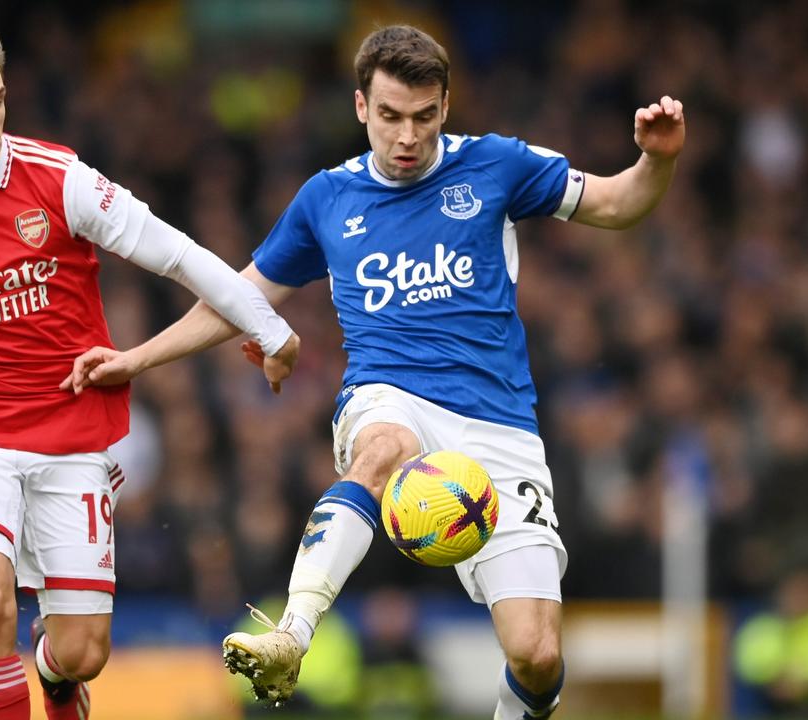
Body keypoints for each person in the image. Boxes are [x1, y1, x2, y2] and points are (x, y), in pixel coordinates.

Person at [64, 23, 684, 719]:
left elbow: (616, 202)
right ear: (362, 107)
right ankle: (290, 636)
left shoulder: (497, 165)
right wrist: (136, 359)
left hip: (498, 425)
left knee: (535, 654)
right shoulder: (328, 199)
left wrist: (654, 161)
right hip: (391, 394)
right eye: (390, 116)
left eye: (423, 117)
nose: (407, 136)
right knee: (381, 449)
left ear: (446, 107)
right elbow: (239, 298)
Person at [0, 23, 299, 720]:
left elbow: (177, 254)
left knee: (83, 651)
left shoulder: (59, 179)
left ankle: (54, 672)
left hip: (73, 439)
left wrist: (271, 328)